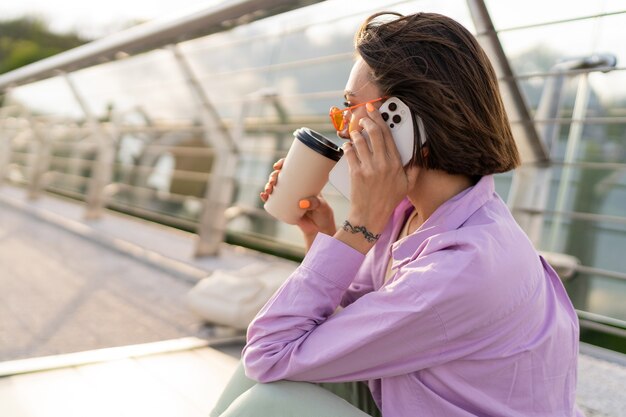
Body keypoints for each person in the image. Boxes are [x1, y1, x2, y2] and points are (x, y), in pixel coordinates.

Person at [211, 11, 582, 417]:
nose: (343, 127)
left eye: (350, 109)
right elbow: (355, 326)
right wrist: (325, 242)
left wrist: (360, 225)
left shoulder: (459, 268)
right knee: (268, 385)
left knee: (267, 405)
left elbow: (269, 350)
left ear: (401, 121)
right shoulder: (420, 214)